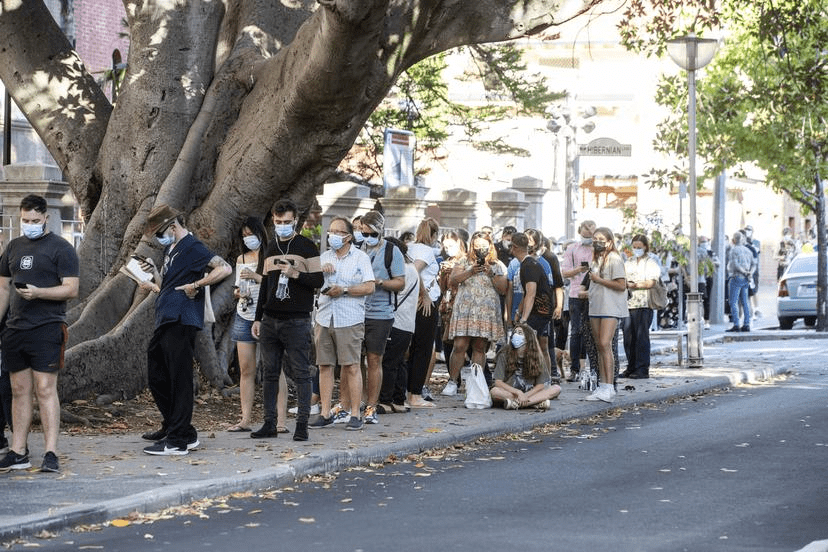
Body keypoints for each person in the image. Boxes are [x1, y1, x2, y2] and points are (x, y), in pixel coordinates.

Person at [138, 204, 232, 455]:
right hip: (166, 316)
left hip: (182, 318)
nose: (159, 238)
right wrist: (154, 276)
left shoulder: (193, 247)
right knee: (157, 373)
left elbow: (224, 268)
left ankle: (178, 440)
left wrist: (197, 283)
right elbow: (168, 285)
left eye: (160, 232)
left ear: (172, 226)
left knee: (179, 378)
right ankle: (178, 428)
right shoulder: (172, 249)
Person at [0, 194, 79, 473]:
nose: (29, 224)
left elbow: (71, 288)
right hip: (15, 330)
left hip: (47, 328)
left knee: (45, 390)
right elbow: (3, 289)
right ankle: (18, 450)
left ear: (46, 218)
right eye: (25, 220)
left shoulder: (61, 249)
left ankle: (50, 452)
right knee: (19, 390)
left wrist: (39, 293)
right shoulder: (13, 247)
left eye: (35, 220)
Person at [250, 200, 323, 441]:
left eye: (287, 222)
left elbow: (318, 281)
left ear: (295, 221)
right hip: (270, 320)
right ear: (273, 220)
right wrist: (258, 318)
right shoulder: (270, 248)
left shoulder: (307, 246)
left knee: (301, 373)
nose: (282, 226)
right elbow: (264, 286)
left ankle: (302, 424)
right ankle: (269, 423)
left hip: (297, 321)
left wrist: (295, 274)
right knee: (270, 373)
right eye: (278, 222)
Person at [310, 217, 375, 431]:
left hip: (349, 318)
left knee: (351, 366)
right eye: (331, 231)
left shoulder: (360, 258)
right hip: (325, 316)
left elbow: (369, 287)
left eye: (338, 232)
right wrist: (320, 274)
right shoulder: (324, 257)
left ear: (348, 236)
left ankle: (355, 413)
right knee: (325, 365)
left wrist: (345, 290)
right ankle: (325, 412)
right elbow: (310, 280)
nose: (333, 236)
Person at [228, 216, 288, 433]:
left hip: (267, 317)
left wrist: (256, 276)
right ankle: (245, 419)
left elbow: (279, 282)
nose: (248, 239)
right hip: (244, 314)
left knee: (274, 368)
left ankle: (280, 420)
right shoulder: (241, 259)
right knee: (246, 369)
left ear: (260, 233)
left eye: (250, 234)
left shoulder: (272, 254)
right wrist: (238, 292)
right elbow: (238, 287)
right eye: (244, 235)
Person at [443, 231, 507, 395]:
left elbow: (503, 289)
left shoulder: (497, 264)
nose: (480, 250)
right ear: (472, 246)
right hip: (466, 309)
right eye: (477, 246)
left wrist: (491, 274)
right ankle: (453, 382)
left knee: (480, 347)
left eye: (483, 247)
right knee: (460, 345)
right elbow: (453, 280)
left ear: (490, 246)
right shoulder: (464, 260)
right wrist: (471, 271)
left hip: (486, 311)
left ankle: (476, 383)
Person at [356, 210, 405, 425]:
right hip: (356, 311)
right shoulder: (358, 249)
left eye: (370, 233)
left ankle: (371, 405)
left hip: (380, 313)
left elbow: (400, 283)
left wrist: (379, 282)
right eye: (363, 232)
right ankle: (354, 402)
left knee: (374, 359)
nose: (367, 237)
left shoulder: (391, 251)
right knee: (353, 361)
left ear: (380, 231)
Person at [378, 237, 423, 410]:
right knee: (399, 362)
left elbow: (393, 289)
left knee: (388, 362)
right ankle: (398, 400)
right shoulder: (412, 269)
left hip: (395, 322)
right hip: (407, 324)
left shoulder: (402, 271)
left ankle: (386, 400)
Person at [585, 227, 628, 403]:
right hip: (596, 306)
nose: (597, 241)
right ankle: (602, 385)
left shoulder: (614, 259)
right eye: (595, 238)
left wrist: (599, 280)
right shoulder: (596, 259)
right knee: (599, 346)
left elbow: (621, 284)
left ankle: (609, 386)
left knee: (605, 343)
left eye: (601, 238)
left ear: (609, 241)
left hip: (610, 307)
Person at [405, 218, 441, 407]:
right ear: (434, 235)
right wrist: (425, 294)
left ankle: (410, 391)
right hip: (424, 303)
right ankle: (415, 394)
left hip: (412, 303)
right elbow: (413, 270)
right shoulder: (426, 251)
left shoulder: (410, 247)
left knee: (414, 348)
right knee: (423, 348)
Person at [490, 324, 561, 409]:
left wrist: (525, 395)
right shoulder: (504, 354)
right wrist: (518, 393)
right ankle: (534, 403)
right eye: (515, 332)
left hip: (529, 392)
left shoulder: (538, 356)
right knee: (494, 391)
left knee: (556, 388)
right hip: (510, 392)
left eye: (520, 333)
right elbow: (498, 382)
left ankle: (518, 403)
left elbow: (540, 385)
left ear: (528, 338)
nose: (516, 335)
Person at [560, 220, 596, 381]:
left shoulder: (598, 249)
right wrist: (579, 269)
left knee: (592, 332)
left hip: (594, 293)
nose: (588, 236)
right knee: (576, 332)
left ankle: (590, 368)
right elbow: (565, 273)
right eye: (585, 233)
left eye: (591, 233)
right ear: (580, 232)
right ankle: (575, 368)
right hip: (575, 293)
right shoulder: (572, 248)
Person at [621, 234, 660, 379]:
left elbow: (651, 282)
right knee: (628, 337)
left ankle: (642, 369)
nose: (637, 249)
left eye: (639, 247)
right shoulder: (629, 262)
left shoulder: (651, 261)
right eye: (635, 247)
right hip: (628, 304)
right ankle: (630, 367)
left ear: (645, 247)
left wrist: (634, 285)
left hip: (644, 304)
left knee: (641, 337)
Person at [726, 231, 755, 332]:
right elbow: (754, 264)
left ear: (733, 240)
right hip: (746, 279)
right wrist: (749, 273)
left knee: (733, 302)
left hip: (736, 277)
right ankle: (746, 324)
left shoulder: (733, 250)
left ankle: (736, 324)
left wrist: (743, 272)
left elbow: (735, 264)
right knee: (745, 302)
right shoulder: (748, 250)